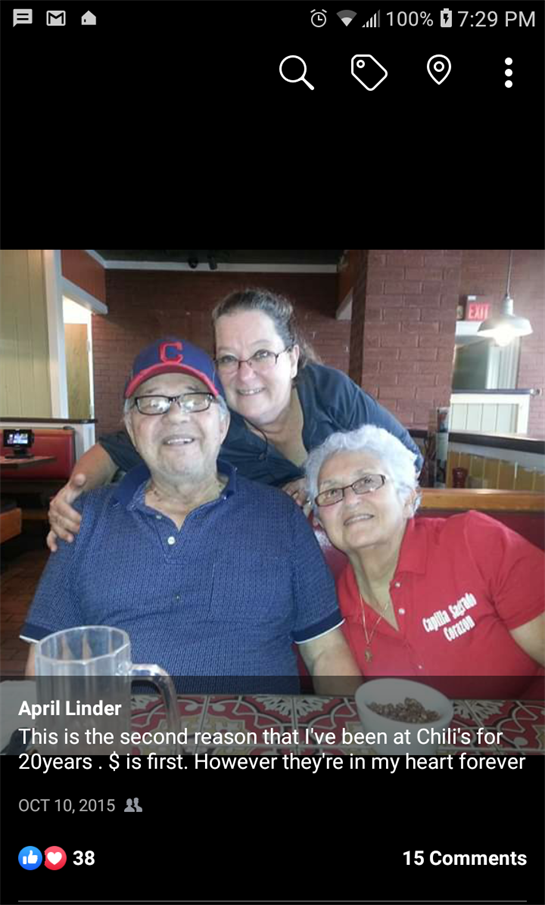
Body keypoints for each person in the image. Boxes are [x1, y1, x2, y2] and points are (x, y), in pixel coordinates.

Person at [22, 338, 361, 693]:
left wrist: (349, 725)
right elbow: (44, 659)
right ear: (131, 428)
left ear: (223, 424)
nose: (175, 416)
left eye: (196, 400)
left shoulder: (280, 515)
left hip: (255, 727)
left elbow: (326, 653)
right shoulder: (84, 519)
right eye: (153, 403)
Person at [46, 288, 422, 550]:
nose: (245, 375)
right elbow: (110, 451)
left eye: (262, 354)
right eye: (228, 358)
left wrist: (319, 484)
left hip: (362, 546)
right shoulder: (212, 421)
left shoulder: (330, 393)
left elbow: (408, 459)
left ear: (292, 359)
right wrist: (71, 497)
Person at [304, 424, 545, 694]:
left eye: (368, 481)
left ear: (408, 498)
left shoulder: (474, 541)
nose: (350, 500)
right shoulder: (333, 611)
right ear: (321, 522)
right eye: (332, 492)